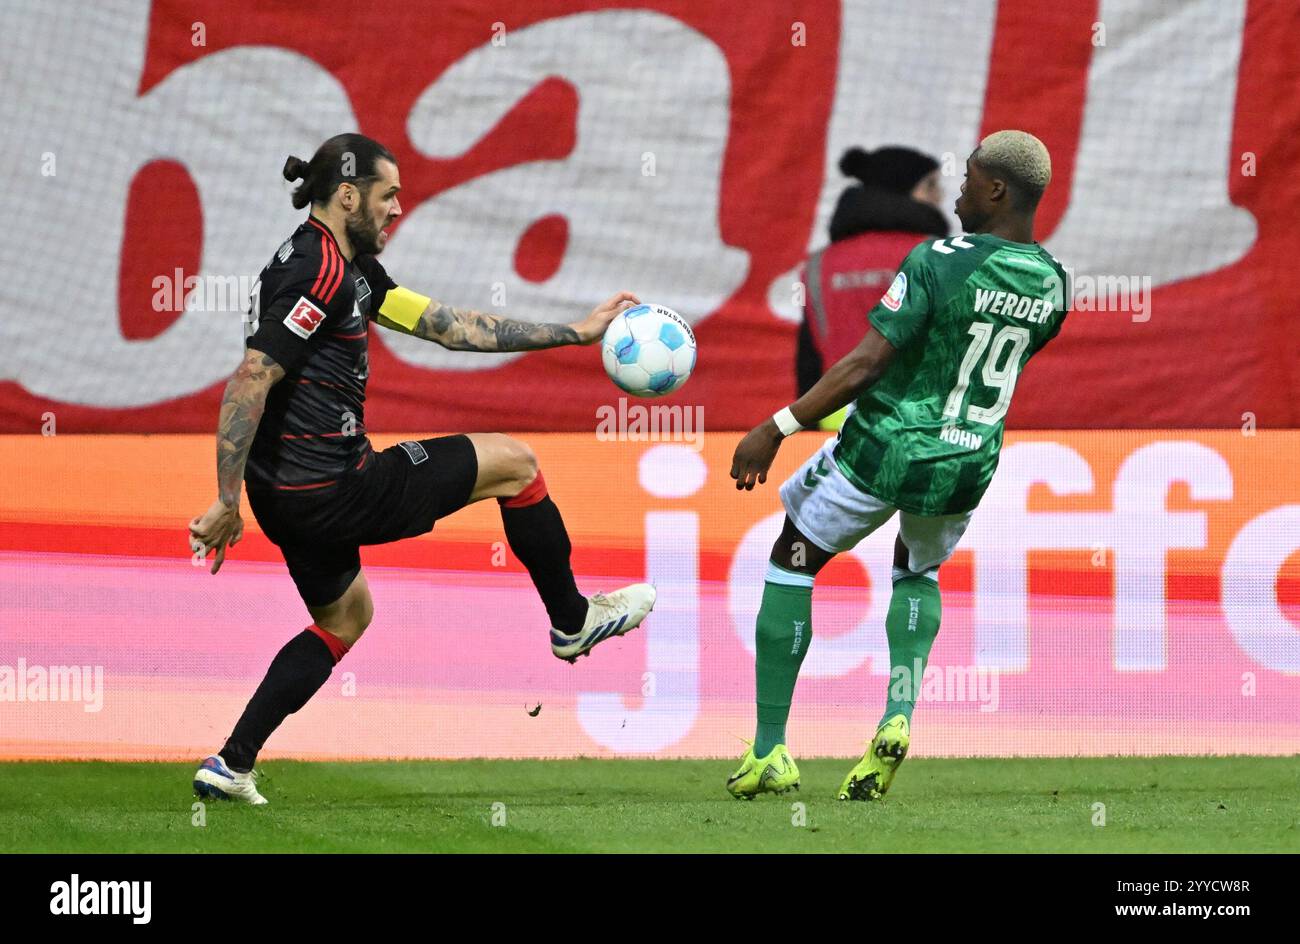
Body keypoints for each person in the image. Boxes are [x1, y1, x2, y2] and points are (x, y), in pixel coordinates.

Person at [187, 133, 655, 805]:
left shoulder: (350, 269)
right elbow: (252, 377)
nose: (398, 208)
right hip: (332, 488)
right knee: (516, 465)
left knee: (345, 619)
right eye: (388, 195)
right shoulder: (316, 271)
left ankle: (232, 764)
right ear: (347, 195)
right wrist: (222, 498)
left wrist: (573, 334)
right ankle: (573, 619)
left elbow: (444, 325)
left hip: (286, 496)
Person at [728, 130, 1066, 801]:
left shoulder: (939, 259)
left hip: (886, 445)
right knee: (918, 571)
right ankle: (897, 716)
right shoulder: (1054, 283)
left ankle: (770, 750)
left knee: (791, 558)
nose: (960, 192)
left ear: (997, 189)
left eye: (968, 179)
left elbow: (864, 363)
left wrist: (777, 426)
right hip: (969, 458)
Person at [797, 146, 950, 430]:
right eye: (930, 185)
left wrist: (803, 430)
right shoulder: (936, 254)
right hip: (919, 422)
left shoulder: (819, 265)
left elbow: (808, 359)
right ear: (902, 189)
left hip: (838, 424)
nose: (940, 196)